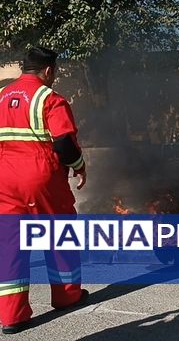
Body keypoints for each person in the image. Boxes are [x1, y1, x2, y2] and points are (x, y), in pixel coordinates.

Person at [0, 47, 89, 334]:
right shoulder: (50, 99)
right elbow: (63, 143)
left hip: (5, 178)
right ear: (48, 71)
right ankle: (66, 295)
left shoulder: (1, 96)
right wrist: (79, 165)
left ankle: (12, 316)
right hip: (41, 177)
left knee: (11, 245)